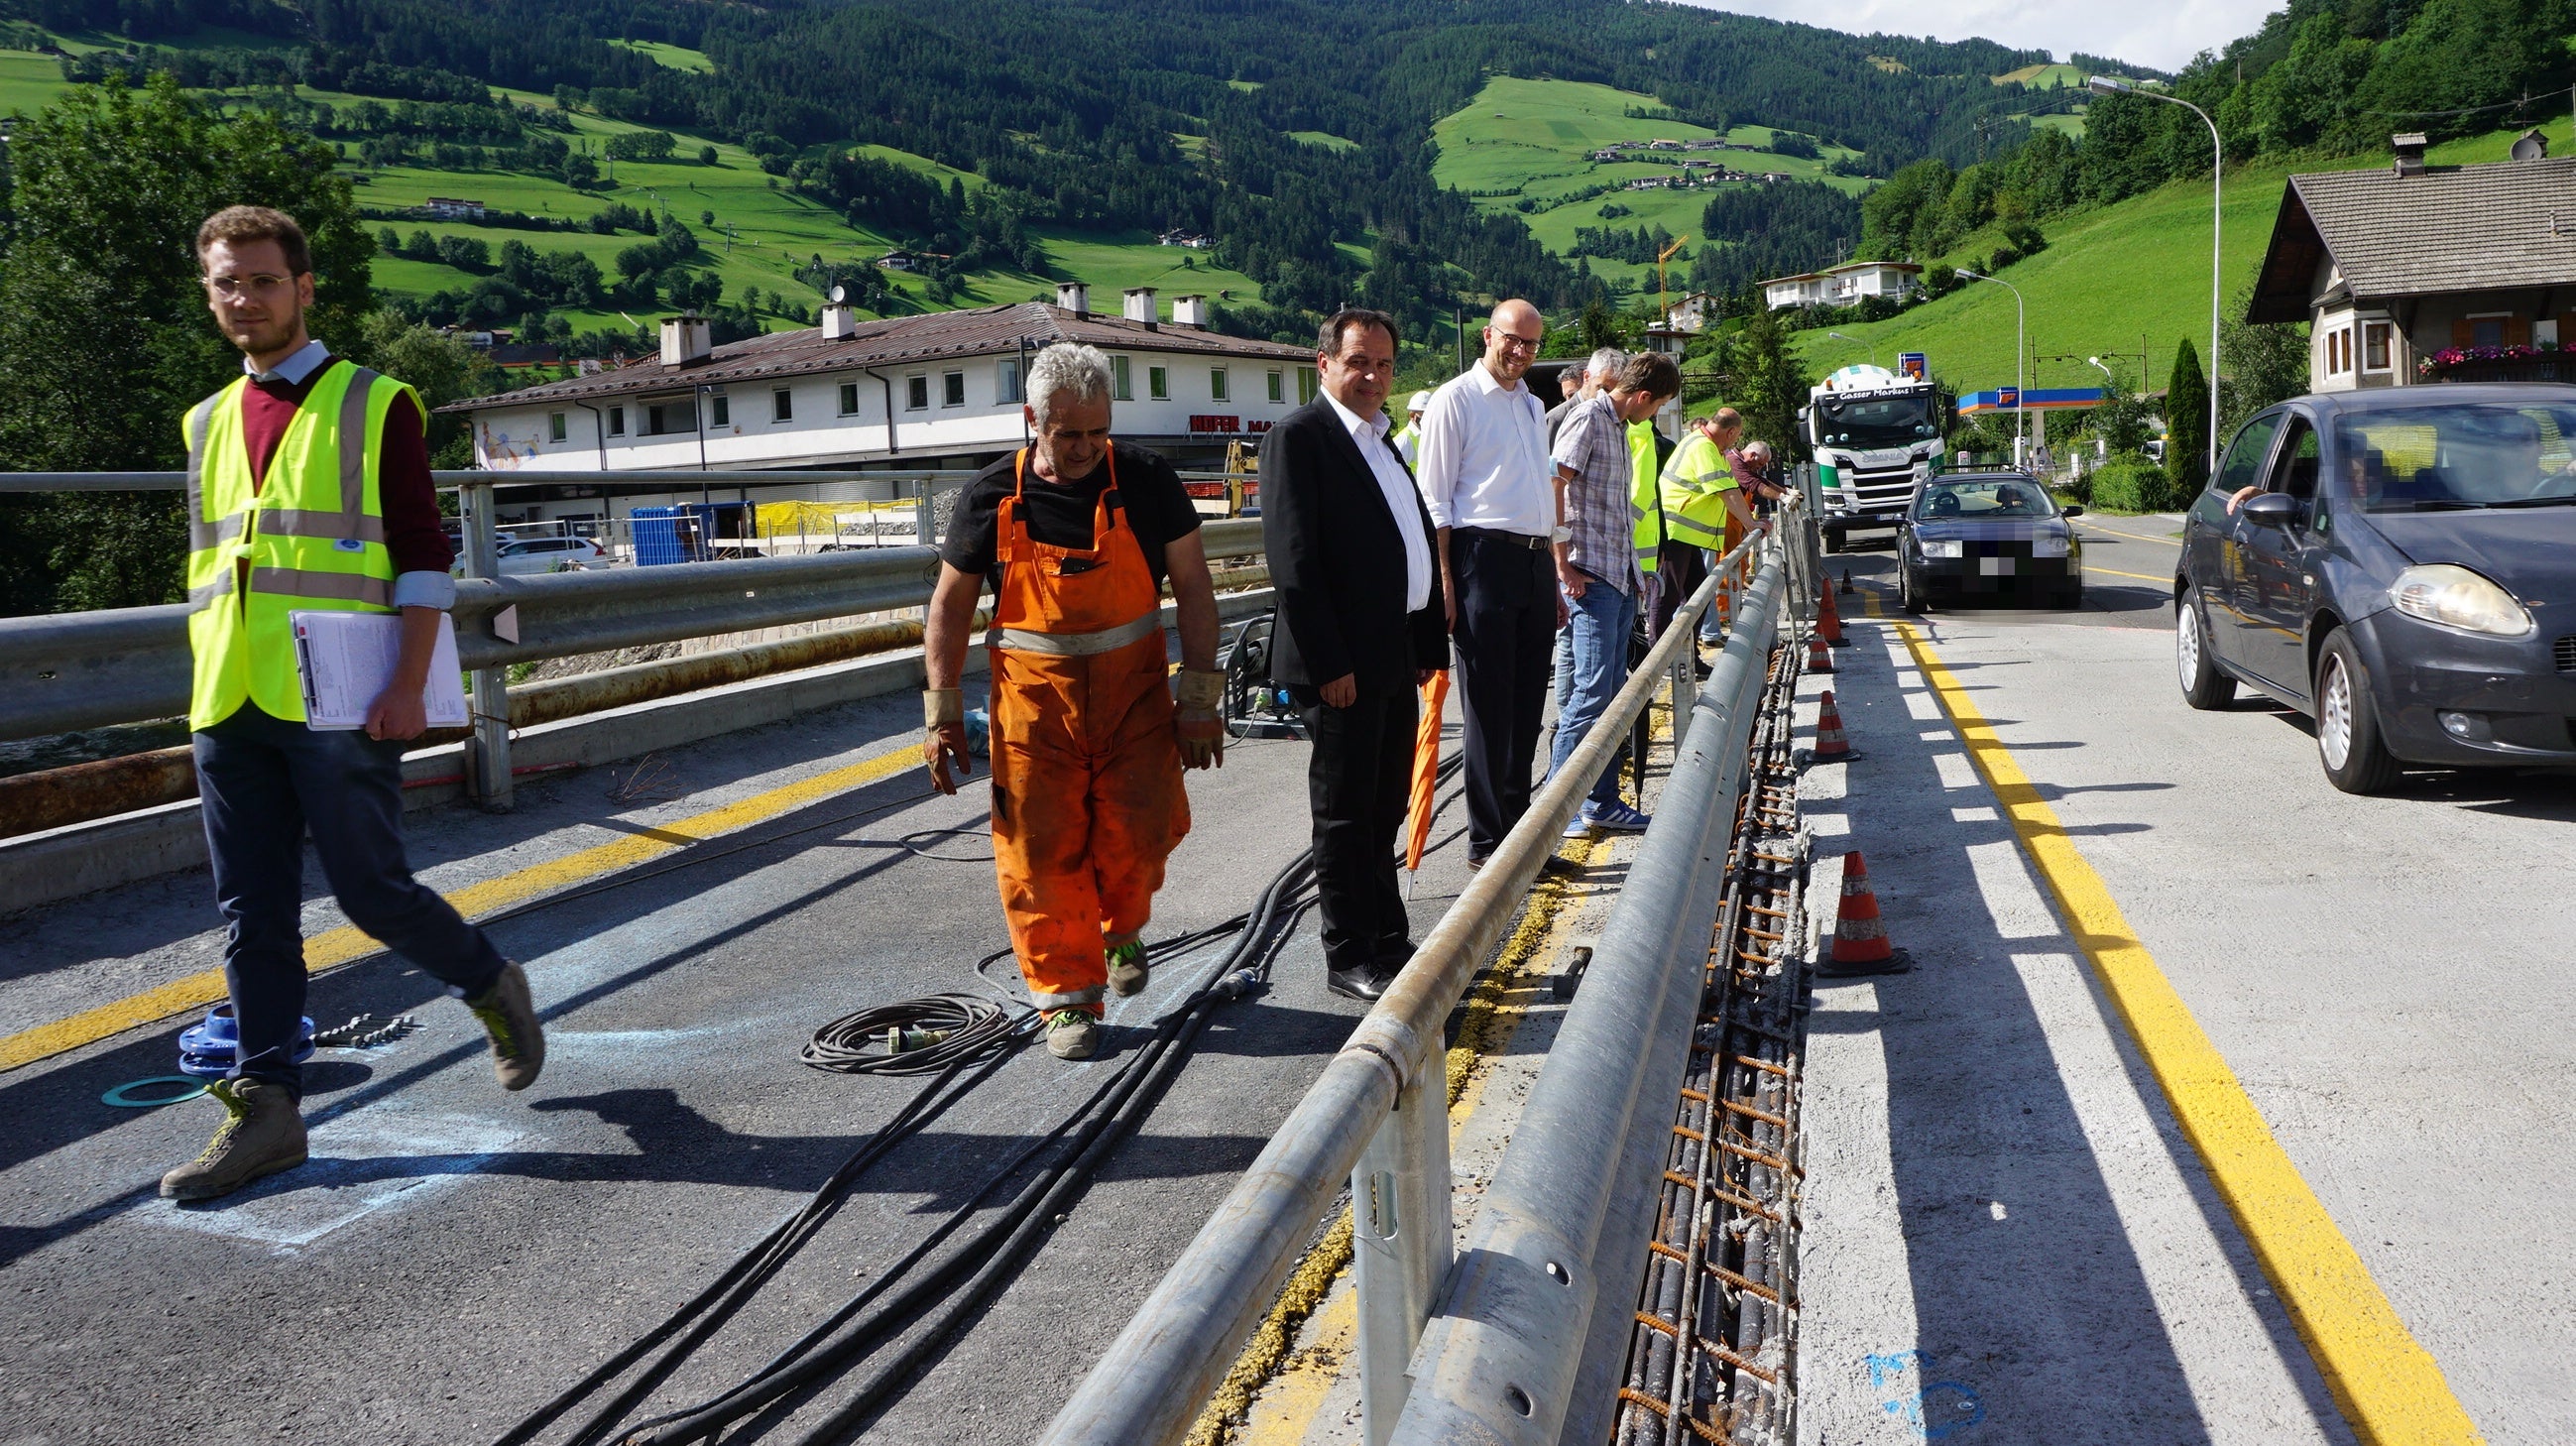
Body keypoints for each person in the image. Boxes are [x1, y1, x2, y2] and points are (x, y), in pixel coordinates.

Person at [163, 205, 544, 1203]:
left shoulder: (375, 403)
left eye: (261, 280)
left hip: (338, 691)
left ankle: (487, 981)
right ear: (209, 292)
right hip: (228, 695)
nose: (242, 299)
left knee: (370, 891)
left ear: (303, 287)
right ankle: (268, 1110)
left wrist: (408, 680)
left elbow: (425, 553)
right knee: (253, 913)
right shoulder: (205, 421)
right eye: (225, 283)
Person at [921, 342, 1226, 1061]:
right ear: (1034, 419)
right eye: (1069, 433)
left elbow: (1195, 587)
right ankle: (1067, 1000)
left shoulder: (1147, 480)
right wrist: (939, 716)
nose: (1087, 447)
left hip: (1136, 703)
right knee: (1039, 854)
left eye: (1098, 431)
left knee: (1141, 836)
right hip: (1034, 714)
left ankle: (1120, 926)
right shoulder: (992, 495)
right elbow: (947, 611)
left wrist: (1202, 695)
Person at [1259, 309, 1448, 1002]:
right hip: (1340, 664)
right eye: (1359, 362)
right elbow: (1295, 561)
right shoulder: (1300, 439)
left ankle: (1388, 937)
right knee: (1345, 812)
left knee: (1384, 806)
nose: (1372, 376)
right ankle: (1348, 955)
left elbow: (1411, 541)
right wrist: (1329, 662)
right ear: (1325, 364)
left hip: (1393, 652)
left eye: (1384, 365)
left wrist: (1426, 644)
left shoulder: (1380, 441)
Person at [1414, 300, 1567, 873]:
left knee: (1528, 705)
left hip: (1531, 562)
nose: (1521, 353)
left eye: (1531, 345)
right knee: (1487, 707)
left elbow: (1538, 498)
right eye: (1512, 340)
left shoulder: (1531, 404)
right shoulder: (1455, 399)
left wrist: (1551, 573)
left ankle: (1517, 836)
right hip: (1482, 559)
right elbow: (1437, 500)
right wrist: (1445, 580)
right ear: (1488, 335)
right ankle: (1486, 843)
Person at [1547, 352, 1680, 836]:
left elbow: (1612, 509)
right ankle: (1556, 812)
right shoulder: (1588, 418)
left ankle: (1599, 801)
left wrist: (1637, 573)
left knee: (1609, 697)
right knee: (1590, 694)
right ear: (1644, 396)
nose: (1657, 414)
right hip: (1592, 575)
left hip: (1618, 576)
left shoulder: (1620, 425)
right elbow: (1554, 482)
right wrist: (1562, 565)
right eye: (1660, 405)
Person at [1547, 347, 1626, 443]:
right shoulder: (1556, 419)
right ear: (1587, 377)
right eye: (1603, 389)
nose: (1608, 398)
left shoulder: (1619, 418)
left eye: (1616, 392)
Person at [1391, 390, 1433, 469]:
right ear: (1412, 415)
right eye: (1424, 414)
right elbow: (1395, 471)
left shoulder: (1430, 434)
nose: (1429, 418)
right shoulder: (1405, 439)